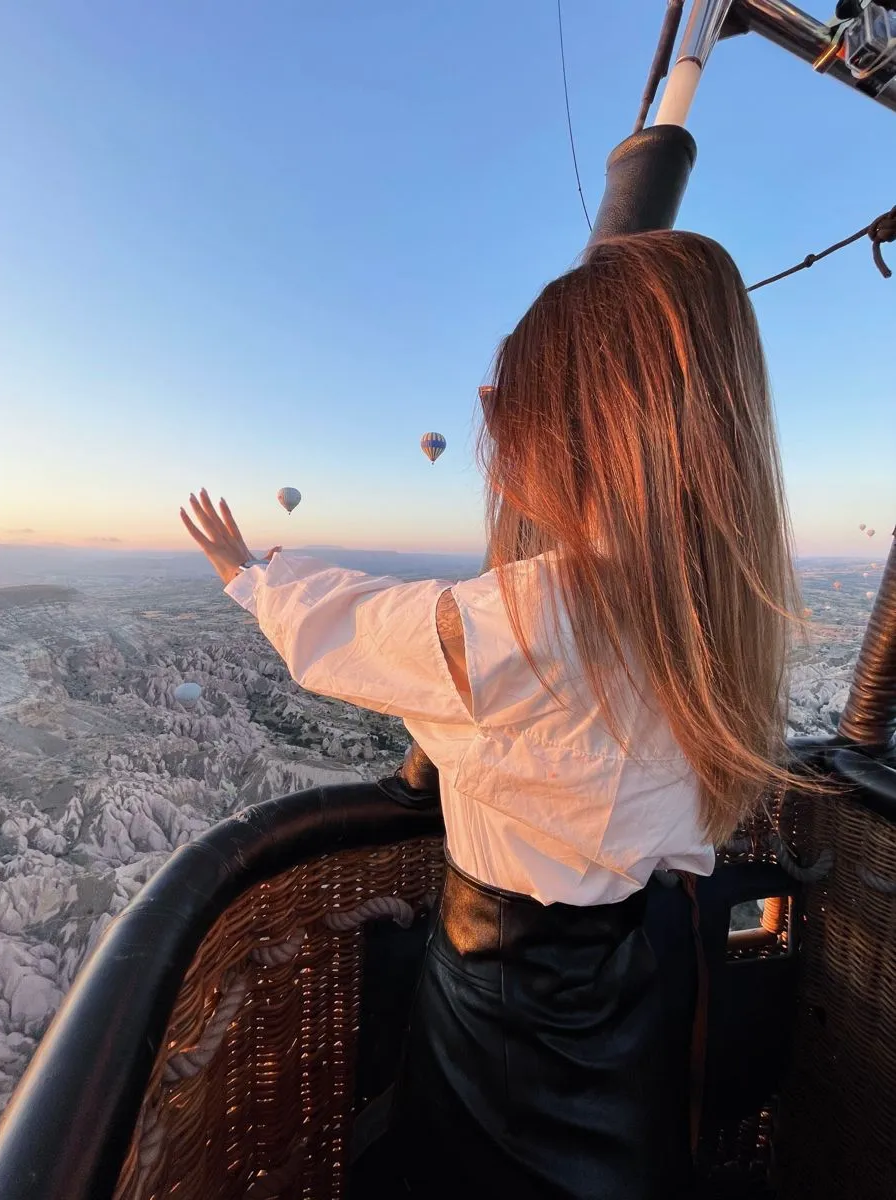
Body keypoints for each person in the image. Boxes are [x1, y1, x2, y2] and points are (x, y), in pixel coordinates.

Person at [181, 231, 799, 1199]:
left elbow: (357, 630)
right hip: (625, 1006)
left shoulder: (531, 621)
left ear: (578, 429)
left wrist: (249, 576)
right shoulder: (704, 615)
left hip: (497, 1019)